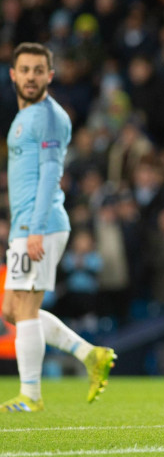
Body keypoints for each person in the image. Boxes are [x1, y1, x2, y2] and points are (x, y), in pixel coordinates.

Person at [2, 42, 116, 413]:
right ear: (13, 74)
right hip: (26, 225)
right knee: (12, 310)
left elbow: (51, 172)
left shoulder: (50, 117)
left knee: (27, 308)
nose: (31, 77)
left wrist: (34, 229)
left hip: (41, 223)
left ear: (50, 76)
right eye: (25, 70)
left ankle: (30, 396)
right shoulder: (23, 117)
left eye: (39, 70)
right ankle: (89, 354)